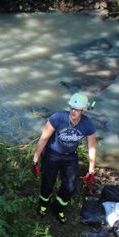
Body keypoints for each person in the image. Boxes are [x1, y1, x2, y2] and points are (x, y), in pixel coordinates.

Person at [31, 92, 98, 223]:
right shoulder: (57, 118)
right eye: (72, 108)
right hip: (52, 154)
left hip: (70, 157)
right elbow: (43, 139)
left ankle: (58, 208)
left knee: (70, 187)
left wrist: (91, 170)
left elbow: (92, 147)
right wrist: (35, 160)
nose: (73, 111)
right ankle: (43, 205)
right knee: (47, 184)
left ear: (83, 110)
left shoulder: (87, 124)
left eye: (77, 110)